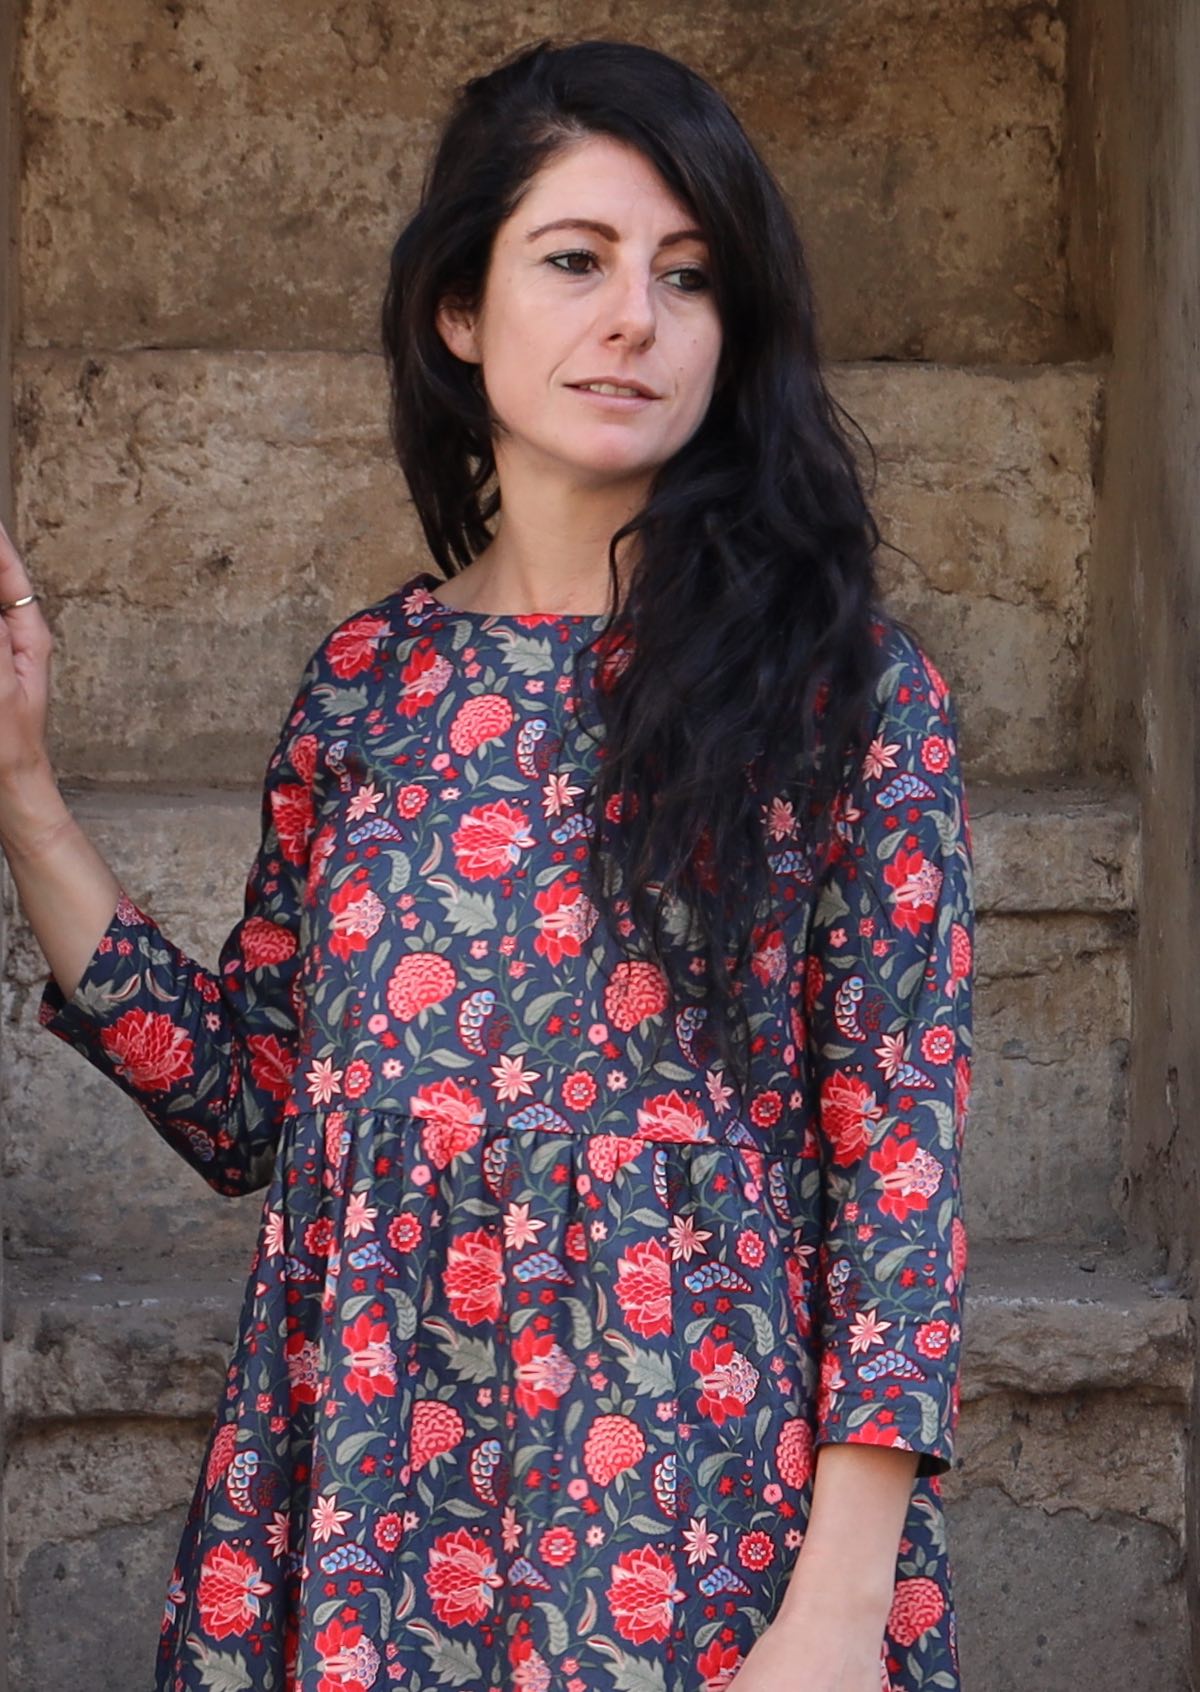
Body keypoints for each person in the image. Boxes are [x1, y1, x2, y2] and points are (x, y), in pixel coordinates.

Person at [0, 36, 973, 1692]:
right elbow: (255, 1103)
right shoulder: (368, 686)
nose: (636, 322)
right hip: (375, 1500)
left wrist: (839, 1605)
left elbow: (901, 1158)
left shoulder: (847, 691)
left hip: (689, 1515)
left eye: (689, 279)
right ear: (462, 308)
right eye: (577, 262)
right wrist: (26, 794)